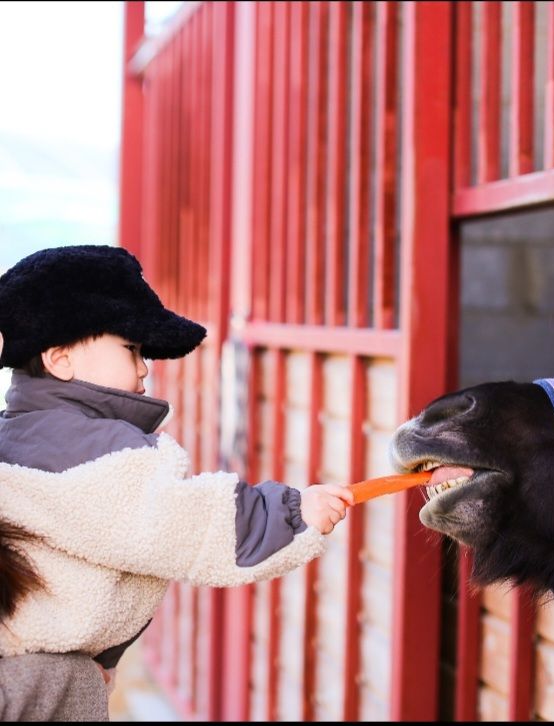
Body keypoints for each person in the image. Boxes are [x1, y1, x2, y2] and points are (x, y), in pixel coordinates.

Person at [0, 244, 355, 720]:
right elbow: (178, 520)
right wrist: (293, 513)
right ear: (61, 360)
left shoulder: (19, 434)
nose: (145, 367)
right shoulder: (97, 451)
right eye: (131, 349)